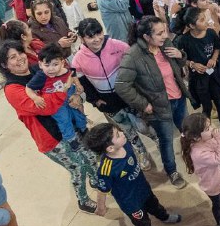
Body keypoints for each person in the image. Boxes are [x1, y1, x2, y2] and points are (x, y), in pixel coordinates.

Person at [0, 40, 99, 213]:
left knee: (88, 154)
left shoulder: (39, 68)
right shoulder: (13, 89)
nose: (19, 58)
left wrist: (76, 95)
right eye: (12, 57)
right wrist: (64, 92)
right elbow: (45, 107)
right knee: (77, 167)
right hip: (51, 140)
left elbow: (66, 76)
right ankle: (83, 200)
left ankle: (96, 180)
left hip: (69, 126)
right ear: (5, 65)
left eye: (20, 53)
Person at [115, 16, 191, 189]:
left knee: (186, 130)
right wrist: (143, 104)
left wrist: (180, 55)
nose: (165, 36)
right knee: (166, 140)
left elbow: (179, 65)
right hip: (159, 107)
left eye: (165, 31)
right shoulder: (133, 55)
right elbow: (121, 86)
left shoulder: (166, 45)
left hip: (179, 98)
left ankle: (192, 156)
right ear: (146, 37)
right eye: (159, 33)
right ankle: (171, 170)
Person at [71, 19, 154, 170]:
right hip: (109, 103)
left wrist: (138, 89)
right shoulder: (78, 59)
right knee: (127, 130)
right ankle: (141, 152)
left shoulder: (118, 46)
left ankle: (159, 140)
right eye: (90, 37)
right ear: (82, 39)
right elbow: (84, 83)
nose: (96, 39)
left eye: (98, 33)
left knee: (143, 125)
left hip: (128, 96)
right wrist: (95, 100)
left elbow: (135, 67)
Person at [85, 124, 182, 226]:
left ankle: (164, 216)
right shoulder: (106, 169)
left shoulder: (126, 145)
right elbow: (102, 190)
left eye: (119, 131)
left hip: (143, 189)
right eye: (118, 135)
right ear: (110, 148)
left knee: (155, 205)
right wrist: (101, 206)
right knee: (142, 221)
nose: (123, 133)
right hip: (131, 203)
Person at [174, 8, 220, 136]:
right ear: (191, 25)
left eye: (204, 18)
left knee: (219, 99)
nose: (206, 21)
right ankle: (206, 126)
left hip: (213, 74)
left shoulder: (211, 33)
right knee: (205, 103)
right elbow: (179, 58)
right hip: (198, 78)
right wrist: (192, 64)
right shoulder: (183, 40)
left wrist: (213, 58)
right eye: (201, 20)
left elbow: (217, 47)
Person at [24, 43, 87, 151]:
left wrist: (78, 85)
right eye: (47, 65)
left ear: (62, 63)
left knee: (77, 113)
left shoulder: (66, 70)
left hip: (68, 95)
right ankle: (71, 138)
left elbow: (72, 74)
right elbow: (28, 88)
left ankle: (83, 129)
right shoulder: (41, 76)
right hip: (55, 103)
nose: (51, 69)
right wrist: (35, 98)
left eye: (55, 64)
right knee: (64, 120)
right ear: (40, 64)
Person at [180, 113, 220, 225]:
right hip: (215, 186)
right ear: (196, 136)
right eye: (208, 128)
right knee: (219, 207)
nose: (213, 129)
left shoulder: (206, 138)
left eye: (210, 125)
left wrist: (213, 136)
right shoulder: (198, 153)